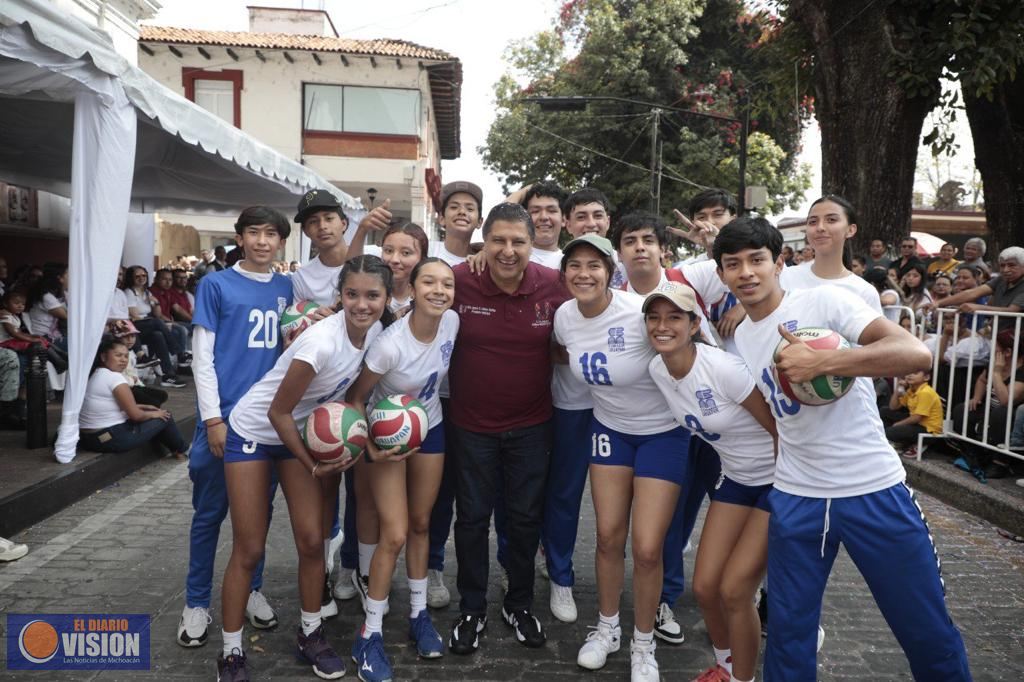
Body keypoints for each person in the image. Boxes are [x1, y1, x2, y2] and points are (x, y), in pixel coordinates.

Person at [714, 216, 971, 681]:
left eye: (757, 260)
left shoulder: (825, 300)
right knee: (789, 640)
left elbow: (916, 354)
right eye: (733, 264)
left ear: (778, 264)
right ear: (722, 275)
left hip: (871, 489)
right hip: (796, 497)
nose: (746, 273)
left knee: (925, 631)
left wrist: (826, 361)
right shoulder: (743, 335)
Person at [218, 256, 390, 681]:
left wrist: (353, 437)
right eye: (352, 294)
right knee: (249, 547)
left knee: (313, 540)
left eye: (372, 295)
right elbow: (278, 412)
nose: (361, 304)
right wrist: (315, 463)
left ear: (386, 299)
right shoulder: (321, 342)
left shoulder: (378, 334)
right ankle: (231, 652)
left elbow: (350, 396)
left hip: (299, 433)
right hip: (256, 433)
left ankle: (310, 634)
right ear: (340, 295)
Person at [553, 234, 688, 681]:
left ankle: (643, 644)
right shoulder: (564, 317)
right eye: (575, 265)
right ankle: (607, 627)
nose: (584, 273)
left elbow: (687, 340)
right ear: (564, 272)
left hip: (662, 434)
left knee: (648, 548)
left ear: (612, 272)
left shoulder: (638, 310)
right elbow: (561, 353)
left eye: (595, 265)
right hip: (609, 430)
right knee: (609, 537)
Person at [446, 203, 567, 654]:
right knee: (473, 519)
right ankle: (472, 608)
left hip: (533, 426)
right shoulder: (458, 280)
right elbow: (406, 297)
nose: (508, 250)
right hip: (470, 427)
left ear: (533, 245)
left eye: (518, 241)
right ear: (484, 240)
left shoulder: (553, 285)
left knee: (523, 520)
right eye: (498, 240)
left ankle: (519, 603)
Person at [644, 282, 778, 682]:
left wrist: (793, 490)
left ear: (693, 323)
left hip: (778, 480)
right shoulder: (657, 369)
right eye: (654, 317)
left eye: (674, 317)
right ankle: (726, 667)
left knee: (735, 591)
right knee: (704, 587)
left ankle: (744, 679)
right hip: (736, 480)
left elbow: (780, 430)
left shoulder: (723, 368)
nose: (662, 326)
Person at [178, 207, 293, 651]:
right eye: (254, 233)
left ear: (281, 241)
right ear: (240, 238)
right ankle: (195, 601)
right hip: (223, 421)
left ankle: (252, 588)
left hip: (266, 427)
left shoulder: (287, 286)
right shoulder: (215, 284)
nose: (262, 241)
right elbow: (202, 359)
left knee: (256, 519)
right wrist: (212, 419)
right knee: (209, 515)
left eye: (271, 234)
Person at [344, 258, 458, 679]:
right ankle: (369, 633)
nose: (439, 290)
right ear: (412, 286)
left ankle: (418, 615)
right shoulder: (390, 344)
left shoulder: (452, 324)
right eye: (429, 281)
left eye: (447, 283)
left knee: (422, 524)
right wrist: (371, 448)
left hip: (430, 428)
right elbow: (355, 399)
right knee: (393, 533)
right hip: (389, 435)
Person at [78, 336, 187, 458]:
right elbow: (136, 416)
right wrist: (154, 414)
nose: (123, 360)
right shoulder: (114, 378)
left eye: (126, 356)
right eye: (118, 355)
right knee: (165, 416)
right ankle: (182, 450)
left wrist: (145, 407)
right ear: (103, 357)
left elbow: (110, 405)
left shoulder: (96, 374)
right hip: (110, 439)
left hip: (89, 439)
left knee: (152, 410)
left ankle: (177, 451)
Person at [780, 196, 882, 313]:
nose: (820, 228)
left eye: (831, 220)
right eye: (813, 222)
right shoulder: (785, 277)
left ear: (851, 230)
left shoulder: (864, 291)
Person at [951, 330, 1024, 479]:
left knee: (1002, 413)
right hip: (988, 407)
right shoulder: (994, 361)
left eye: (996, 346)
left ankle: (1000, 463)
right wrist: (976, 397)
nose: (992, 349)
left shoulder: (1021, 370)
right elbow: (982, 380)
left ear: (1008, 351)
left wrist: (997, 373)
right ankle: (975, 455)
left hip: (1006, 414)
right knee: (962, 410)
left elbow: (1006, 400)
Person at [932, 247, 1024, 336]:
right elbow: (972, 293)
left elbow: (1012, 310)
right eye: (1002, 266)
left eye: (1012, 265)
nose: (1006, 270)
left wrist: (979, 307)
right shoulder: (1001, 279)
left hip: (1016, 340)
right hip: (997, 335)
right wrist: (938, 303)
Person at [122, 265, 186, 388]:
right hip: (134, 325)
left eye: (144, 275)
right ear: (131, 278)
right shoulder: (129, 292)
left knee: (158, 335)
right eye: (137, 276)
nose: (141, 278)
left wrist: (155, 302)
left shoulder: (147, 292)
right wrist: (153, 323)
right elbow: (134, 316)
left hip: (146, 325)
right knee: (156, 323)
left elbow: (157, 313)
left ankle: (168, 375)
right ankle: (179, 352)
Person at [881, 368, 943, 456]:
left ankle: (908, 443)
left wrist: (898, 424)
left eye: (915, 373)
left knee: (890, 431)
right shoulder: (911, 390)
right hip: (917, 424)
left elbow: (917, 418)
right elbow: (893, 407)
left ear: (926, 377)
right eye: (908, 372)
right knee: (885, 411)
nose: (910, 375)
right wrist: (898, 389)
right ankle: (895, 441)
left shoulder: (926, 392)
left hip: (928, 431)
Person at [111, 321, 168, 408]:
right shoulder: (114, 354)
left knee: (162, 395)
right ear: (118, 338)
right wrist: (132, 381)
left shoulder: (132, 353)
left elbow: (133, 373)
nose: (130, 340)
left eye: (133, 336)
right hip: (124, 388)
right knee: (153, 402)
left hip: (133, 384)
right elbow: (116, 376)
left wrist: (141, 386)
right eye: (126, 336)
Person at [380, 223, 429, 314]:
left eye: (406, 253)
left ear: (422, 258)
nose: (394, 260)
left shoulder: (427, 298)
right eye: (389, 251)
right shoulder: (370, 292)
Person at [150, 268, 191, 361]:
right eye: (164, 279)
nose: (168, 282)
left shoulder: (168, 292)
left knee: (196, 327)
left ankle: (196, 356)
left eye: (170, 280)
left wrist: (194, 320)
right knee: (181, 329)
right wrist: (172, 322)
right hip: (159, 323)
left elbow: (177, 308)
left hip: (169, 322)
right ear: (156, 279)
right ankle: (182, 358)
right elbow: (157, 314)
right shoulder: (151, 292)